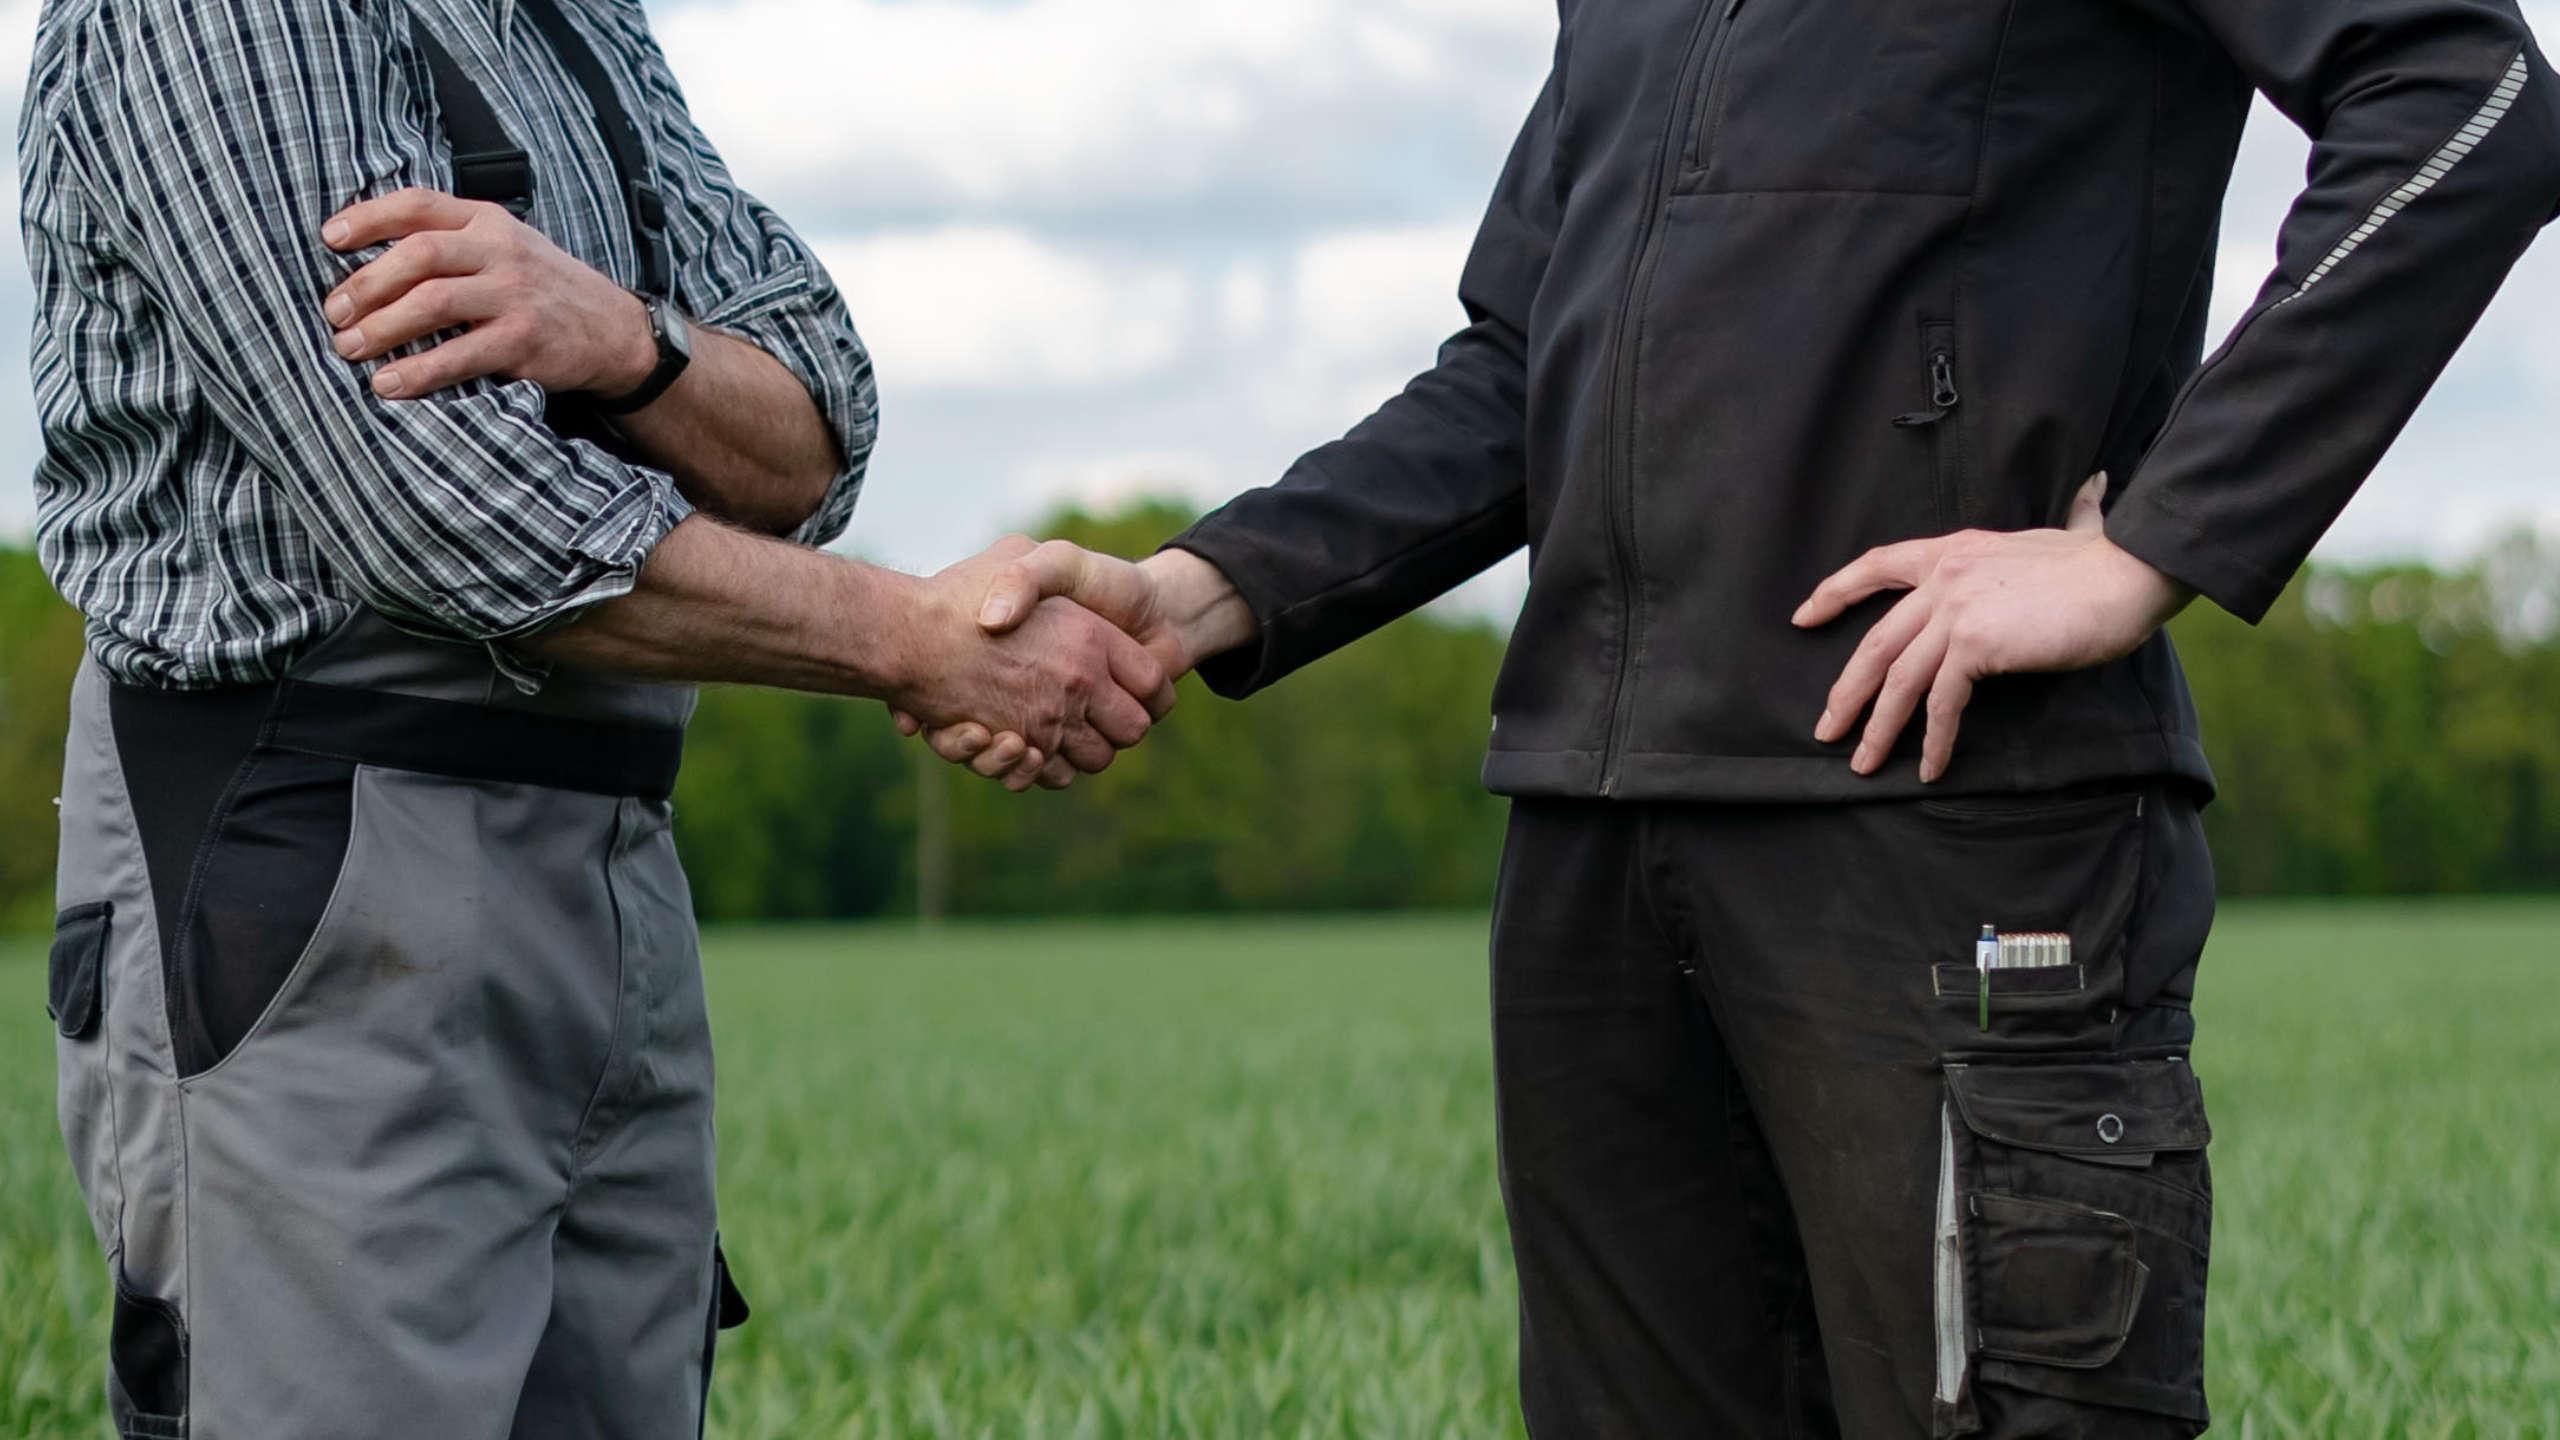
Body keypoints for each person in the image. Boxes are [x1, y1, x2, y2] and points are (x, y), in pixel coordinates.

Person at [910, 1, 2560, 1434]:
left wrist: (2150, 547)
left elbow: (2466, 101)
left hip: (1945, 825)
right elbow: (1519, 365)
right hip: (1594, 855)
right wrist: (1197, 592)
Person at [24, 1, 1169, 1434]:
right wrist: (920, 645)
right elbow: (439, 508)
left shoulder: (576, 13)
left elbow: (817, 421)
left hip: (614, 852)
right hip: (314, 847)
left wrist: (622, 337)